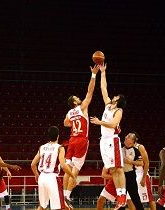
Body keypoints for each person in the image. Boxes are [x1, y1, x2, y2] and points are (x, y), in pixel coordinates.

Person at [90, 63, 127, 209]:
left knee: (118, 169)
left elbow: (113, 124)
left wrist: (100, 122)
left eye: (116, 95)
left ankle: (122, 196)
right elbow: (103, 88)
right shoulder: (107, 105)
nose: (113, 95)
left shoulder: (119, 110)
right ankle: (120, 198)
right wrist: (103, 72)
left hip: (112, 140)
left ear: (118, 100)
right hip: (103, 142)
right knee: (112, 170)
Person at [63, 64, 100, 205]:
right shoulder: (82, 107)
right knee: (76, 170)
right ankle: (67, 196)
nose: (79, 98)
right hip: (81, 141)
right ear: (74, 102)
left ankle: (64, 196)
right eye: (77, 98)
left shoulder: (69, 113)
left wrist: (73, 123)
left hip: (71, 140)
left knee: (67, 170)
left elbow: (65, 123)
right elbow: (90, 92)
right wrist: (93, 75)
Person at [31, 126, 77, 210]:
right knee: (58, 207)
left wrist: (37, 175)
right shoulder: (60, 148)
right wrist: (73, 176)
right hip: (52, 178)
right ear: (58, 136)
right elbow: (63, 165)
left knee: (42, 206)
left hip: (42, 177)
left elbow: (32, 164)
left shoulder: (42, 147)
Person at [131, 133, 156, 210]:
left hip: (142, 174)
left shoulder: (140, 147)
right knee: (134, 198)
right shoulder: (129, 149)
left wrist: (143, 178)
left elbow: (147, 163)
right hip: (134, 174)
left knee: (149, 197)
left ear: (136, 139)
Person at [122, 133, 144, 210]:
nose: (128, 144)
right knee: (121, 197)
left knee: (135, 197)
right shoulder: (119, 149)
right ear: (124, 140)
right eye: (126, 142)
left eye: (130, 143)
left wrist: (131, 162)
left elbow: (141, 163)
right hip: (121, 175)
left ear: (134, 143)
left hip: (130, 175)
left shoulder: (136, 151)